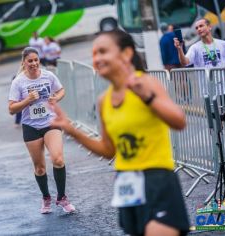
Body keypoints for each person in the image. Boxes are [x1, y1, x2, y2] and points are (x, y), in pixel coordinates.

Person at [51, 29, 190, 235]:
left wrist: (147, 97)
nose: (96, 58)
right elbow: (109, 150)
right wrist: (72, 131)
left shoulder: (145, 82)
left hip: (157, 179)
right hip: (126, 183)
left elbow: (179, 121)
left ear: (126, 53)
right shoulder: (103, 101)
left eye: (103, 51)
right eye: (94, 54)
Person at [8, 47, 75, 214]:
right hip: (31, 127)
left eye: (36, 60)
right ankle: (46, 197)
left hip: (50, 122)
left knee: (58, 159)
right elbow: (11, 109)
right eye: (30, 61)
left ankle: (62, 197)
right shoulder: (18, 82)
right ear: (23, 62)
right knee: (40, 168)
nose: (34, 63)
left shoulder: (48, 76)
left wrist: (56, 98)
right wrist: (27, 100)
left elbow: (61, 90)